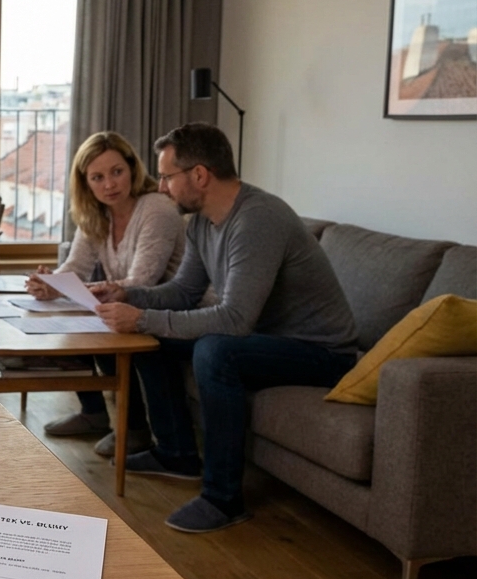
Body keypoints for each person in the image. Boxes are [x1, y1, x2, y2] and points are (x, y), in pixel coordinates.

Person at [93, 123, 357, 534]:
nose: (161, 188)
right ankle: (177, 453)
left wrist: (143, 317)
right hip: (268, 340)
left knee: (215, 351)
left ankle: (224, 498)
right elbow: (183, 292)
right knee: (153, 339)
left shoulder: (258, 219)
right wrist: (128, 298)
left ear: (199, 175)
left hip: (321, 353)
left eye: (166, 177)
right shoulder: (200, 222)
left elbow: (235, 319)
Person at [26, 131, 185, 457]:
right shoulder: (95, 215)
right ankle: (94, 414)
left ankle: (134, 432)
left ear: (132, 168)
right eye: (97, 177)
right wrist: (50, 284)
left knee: (101, 324)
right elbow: (75, 269)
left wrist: (71, 288)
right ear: (86, 184)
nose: (109, 184)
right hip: (128, 302)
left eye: (117, 172)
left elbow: (143, 281)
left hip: (172, 306)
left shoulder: (156, 208)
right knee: (74, 319)